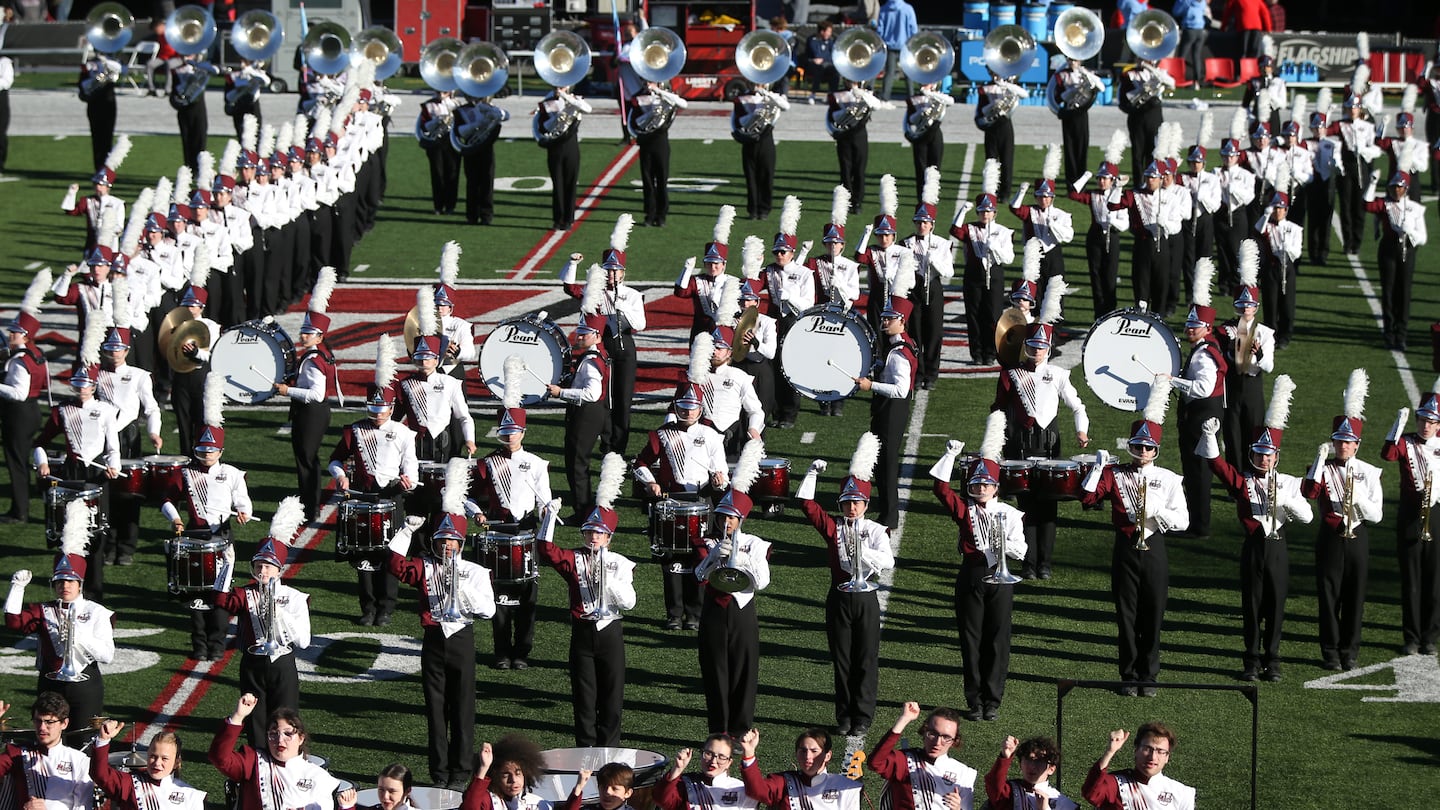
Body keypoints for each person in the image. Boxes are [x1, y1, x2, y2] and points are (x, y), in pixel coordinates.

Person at [389, 464, 496, 790]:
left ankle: (461, 769)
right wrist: (406, 531)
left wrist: (461, 590)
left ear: (461, 543)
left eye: (452, 541)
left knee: (463, 706)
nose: (447, 546)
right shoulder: (424, 566)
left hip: (461, 637)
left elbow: (489, 610)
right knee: (435, 709)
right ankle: (439, 770)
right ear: (434, 542)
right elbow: (395, 566)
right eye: (442, 541)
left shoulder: (475, 572)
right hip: (434, 639)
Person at [1198, 375, 1312, 680]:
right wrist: (1210, 438)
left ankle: (1272, 661)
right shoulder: (1245, 480)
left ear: (1276, 456)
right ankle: (1250, 661)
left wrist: (1288, 503)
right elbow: (1219, 469)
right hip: (1252, 545)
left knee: (1276, 607)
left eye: (1269, 454)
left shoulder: (1287, 482)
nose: (1264, 458)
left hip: (1278, 547)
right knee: (1251, 606)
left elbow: (1308, 516)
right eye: (1260, 453)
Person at [1080, 380, 1188, 696]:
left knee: (1153, 615)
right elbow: (1087, 500)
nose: (1142, 452)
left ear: (1156, 450)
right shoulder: (1116, 474)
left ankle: (1149, 676)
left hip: (1154, 548)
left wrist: (1155, 512)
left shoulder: (1168, 479)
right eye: (1137, 446)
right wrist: (1098, 470)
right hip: (1125, 550)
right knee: (1126, 618)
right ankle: (1128, 675)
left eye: (1147, 448)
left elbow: (1183, 521)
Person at [796, 433, 894, 735]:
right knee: (841, 659)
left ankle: (863, 715)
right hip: (838, 597)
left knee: (865, 658)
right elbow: (807, 505)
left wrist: (863, 555)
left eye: (857, 502)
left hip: (866, 598)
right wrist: (811, 474)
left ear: (866, 504)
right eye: (847, 502)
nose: (852, 507)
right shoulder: (834, 528)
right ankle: (844, 716)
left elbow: (888, 562)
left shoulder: (878, 530)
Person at [930, 419, 1026, 721]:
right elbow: (940, 489)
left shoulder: (1010, 513)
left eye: (986, 484)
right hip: (971, 575)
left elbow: (1022, 550)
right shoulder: (965, 510)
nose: (981, 488)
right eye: (976, 484)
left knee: (997, 640)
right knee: (970, 640)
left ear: (996, 487)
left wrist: (1000, 547)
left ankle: (993, 700)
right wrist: (949, 456)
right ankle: (974, 700)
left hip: (1001, 576)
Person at [537, 454, 636, 747]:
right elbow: (546, 550)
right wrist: (548, 519)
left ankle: (610, 752)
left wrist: (608, 580)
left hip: (610, 632)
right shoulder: (574, 559)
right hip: (581, 633)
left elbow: (629, 603)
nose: (593, 537)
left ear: (609, 538)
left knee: (611, 698)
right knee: (583, 699)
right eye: (590, 531)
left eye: (600, 533)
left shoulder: (620, 563)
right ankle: (584, 753)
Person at [991, 299, 1089, 580]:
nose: (1036, 352)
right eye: (1032, 347)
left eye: (1041, 348)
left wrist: (1081, 430)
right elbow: (997, 410)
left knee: (1048, 506)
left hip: (1049, 446)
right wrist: (994, 447)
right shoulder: (1011, 374)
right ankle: (1029, 562)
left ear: (1049, 349)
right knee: (1026, 508)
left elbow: (1078, 406)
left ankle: (1045, 563)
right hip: (1019, 445)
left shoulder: (1058, 374)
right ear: (1026, 347)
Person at [206, 500, 312, 748]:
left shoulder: (296, 597)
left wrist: (280, 615)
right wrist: (227, 568)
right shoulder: (246, 593)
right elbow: (221, 600)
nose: (263, 571)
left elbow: (304, 641)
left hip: (283, 664)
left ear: (279, 569)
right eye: (259, 566)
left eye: (268, 566)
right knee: (255, 720)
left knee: (286, 719)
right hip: (252, 663)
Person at [160, 376, 251, 660]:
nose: (207, 455)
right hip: (193, 540)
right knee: (196, 596)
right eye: (202, 450)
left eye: (211, 451)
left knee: (221, 595)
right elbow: (165, 500)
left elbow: (242, 497)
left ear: (220, 452)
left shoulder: (233, 473)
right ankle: (199, 645)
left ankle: (218, 643)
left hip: (222, 538)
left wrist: (244, 511)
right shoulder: (185, 473)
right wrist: (176, 519)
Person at [329, 338, 419, 627]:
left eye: (383, 409)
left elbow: (412, 469)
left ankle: (386, 609)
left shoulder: (404, 434)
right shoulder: (354, 431)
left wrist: (409, 483)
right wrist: (340, 475)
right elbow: (334, 460)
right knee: (364, 559)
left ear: (392, 408)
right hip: (361, 500)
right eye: (374, 408)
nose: (378, 414)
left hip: (392, 498)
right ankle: (367, 608)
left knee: (390, 556)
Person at [1302, 369, 1383, 671]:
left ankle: (1350, 650)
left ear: (1358, 444)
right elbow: (1310, 493)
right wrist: (1318, 462)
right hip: (1330, 538)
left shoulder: (1371, 472)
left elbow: (1377, 515)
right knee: (1328, 597)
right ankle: (1330, 652)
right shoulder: (1322, 467)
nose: (1343, 446)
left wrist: (1357, 497)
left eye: (1349, 442)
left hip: (1358, 536)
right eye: (1339, 441)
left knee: (1354, 598)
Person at [470, 374, 552, 669]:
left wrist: (546, 513)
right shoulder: (487, 463)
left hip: (527, 533)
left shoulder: (538, 463)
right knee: (499, 595)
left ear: (523, 432)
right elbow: (466, 496)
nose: (508, 436)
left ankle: (523, 652)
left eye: (513, 431)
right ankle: (502, 652)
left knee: (528, 594)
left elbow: (544, 500)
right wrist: (475, 512)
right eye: (504, 432)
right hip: (496, 533)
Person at [634, 383, 727, 631]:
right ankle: (674, 614)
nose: (688, 412)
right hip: (670, 503)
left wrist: (720, 480)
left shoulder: (712, 436)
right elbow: (640, 463)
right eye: (683, 408)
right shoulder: (662, 434)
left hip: (701, 501)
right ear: (676, 407)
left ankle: (694, 614)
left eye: (692, 408)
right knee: (671, 560)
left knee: (700, 558)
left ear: (700, 409)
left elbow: (722, 471)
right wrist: (651, 482)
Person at [695, 441, 772, 737]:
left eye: (732, 518)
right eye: (723, 516)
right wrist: (716, 555)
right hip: (714, 612)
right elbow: (700, 577)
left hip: (741, 612)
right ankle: (718, 731)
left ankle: (741, 729)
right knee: (715, 673)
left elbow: (762, 581)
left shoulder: (757, 544)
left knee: (744, 672)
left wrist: (741, 559)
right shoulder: (707, 542)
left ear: (742, 519)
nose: (726, 522)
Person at [35, 358, 121, 601]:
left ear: (94, 386)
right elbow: (40, 443)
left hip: (96, 476)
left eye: (87, 384)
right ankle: (69, 590)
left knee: (95, 535)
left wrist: (112, 465)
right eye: (78, 384)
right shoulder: (62, 410)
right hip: (70, 475)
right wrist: (42, 461)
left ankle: (94, 593)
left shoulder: (106, 410)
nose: (83, 388)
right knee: (70, 534)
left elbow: (113, 446)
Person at [5, 542, 116, 726]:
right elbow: (13, 622)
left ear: (80, 584)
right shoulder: (43, 610)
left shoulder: (98, 612)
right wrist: (17, 588)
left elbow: (107, 656)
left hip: (85, 686)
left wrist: (79, 636)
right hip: (50, 684)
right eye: (60, 581)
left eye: (70, 581)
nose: (65, 585)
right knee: (48, 740)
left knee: (83, 740)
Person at [562, 222, 647, 455]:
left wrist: (621, 307)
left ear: (623, 272)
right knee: (604, 399)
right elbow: (570, 287)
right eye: (607, 270)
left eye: (615, 270)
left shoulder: (631, 295)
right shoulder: (595, 291)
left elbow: (640, 324)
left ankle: (619, 446)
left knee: (623, 399)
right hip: (602, 347)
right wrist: (572, 264)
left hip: (625, 347)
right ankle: (606, 443)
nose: (611, 274)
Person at [209, 693, 356, 810]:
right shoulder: (254, 762)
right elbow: (219, 757)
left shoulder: (318, 777)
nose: (280, 740)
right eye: (273, 734)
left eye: (288, 733)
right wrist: (238, 716)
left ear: (301, 738)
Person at [96, 318, 162, 566]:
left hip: (128, 436)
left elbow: (152, 408)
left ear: (126, 351)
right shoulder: (97, 374)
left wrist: (154, 432)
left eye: (119, 349)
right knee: (106, 493)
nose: (114, 353)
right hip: (102, 438)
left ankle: (126, 547)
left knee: (129, 492)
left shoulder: (139, 376)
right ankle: (108, 546)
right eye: (110, 349)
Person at [1381, 385, 1440, 655]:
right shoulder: (1406, 441)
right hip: (1410, 514)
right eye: (1422, 420)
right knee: (1412, 580)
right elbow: (1388, 454)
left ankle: (1430, 636)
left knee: (1434, 579)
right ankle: (1412, 637)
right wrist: (1398, 424)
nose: (1425, 426)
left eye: (1431, 421)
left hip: (1437, 514)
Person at [1164, 287, 1227, 539]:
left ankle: (1199, 526)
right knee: (1196, 473)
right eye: (1189, 324)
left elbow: (1203, 388)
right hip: (1203, 419)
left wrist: (1173, 381)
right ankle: (1196, 523)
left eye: (1196, 326)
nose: (1190, 329)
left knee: (1198, 475)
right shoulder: (1205, 348)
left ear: (1208, 328)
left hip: (1202, 420)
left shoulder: (1204, 356)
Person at [275, 268, 338, 517]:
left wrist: (287, 390)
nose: (303, 336)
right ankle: (310, 504)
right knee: (308, 459)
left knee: (306, 460)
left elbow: (315, 394)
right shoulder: (320, 353)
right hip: (315, 413)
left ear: (320, 335)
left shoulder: (314, 359)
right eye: (303, 331)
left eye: (308, 333)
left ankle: (310, 507)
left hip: (311, 412)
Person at [857, 280, 917, 530]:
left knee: (887, 464)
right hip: (891, 408)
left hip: (892, 409)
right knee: (883, 462)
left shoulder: (900, 352)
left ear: (901, 320)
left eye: (889, 318)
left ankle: (890, 516)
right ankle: (886, 512)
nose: (884, 321)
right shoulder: (900, 345)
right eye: (884, 317)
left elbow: (901, 389)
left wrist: (871, 386)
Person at [548, 313, 610, 521]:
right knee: (578, 463)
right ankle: (583, 507)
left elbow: (591, 394)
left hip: (587, 413)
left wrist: (561, 393)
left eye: (584, 334)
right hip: (595, 412)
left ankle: (583, 511)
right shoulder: (598, 354)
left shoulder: (591, 361)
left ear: (597, 335)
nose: (579, 337)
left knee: (577, 464)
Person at [1, 270, 52, 524]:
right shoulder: (37, 354)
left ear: (25, 335)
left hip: (19, 413)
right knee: (23, 460)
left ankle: (19, 511)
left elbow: (18, 393)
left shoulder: (21, 361)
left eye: (15, 332)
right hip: (32, 411)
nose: (11, 335)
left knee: (17, 462)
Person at [951, 170, 1016, 367]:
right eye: (982, 211)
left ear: (994, 213)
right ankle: (976, 352)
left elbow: (1009, 258)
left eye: (989, 211)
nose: (985, 214)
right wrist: (963, 211)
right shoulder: (970, 228)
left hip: (994, 275)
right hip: (973, 275)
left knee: (993, 315)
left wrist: (994, 247)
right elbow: (954, 230)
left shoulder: (1003, 232)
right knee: (974, 315)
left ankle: (991, 352)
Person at [395, 311, 476, 466]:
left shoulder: (451, 382)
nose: (424, 362)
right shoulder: (405, 385)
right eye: (420, 358)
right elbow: (394, 420)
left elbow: (464, 417)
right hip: (415, 446)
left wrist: (469, 439)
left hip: (444, 443)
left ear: (436, 359)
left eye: (428, 357)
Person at [1218, 257, 1276, 472]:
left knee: (1253, 433)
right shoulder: (1225, 329)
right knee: (1232, 436)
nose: (1246, 309)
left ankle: (1253, 474)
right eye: (1242, 305)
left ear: (1256, 307)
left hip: (1252, 386)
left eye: (1250, 305)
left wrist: (1259, 354)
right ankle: (1235, 478)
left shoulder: (1265, 332)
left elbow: (1269, 366)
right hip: (1231, 386)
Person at [1362, 170, 1429, 351]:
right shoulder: (1386, 204)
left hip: (1408, 249)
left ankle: (1402, 334)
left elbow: (1423, 238)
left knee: (1404, 292)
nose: (1396, 191)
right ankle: (1389, 333)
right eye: (1394, 187)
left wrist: (1410, 231)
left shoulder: (1415, 208)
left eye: (1400, 188)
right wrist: (1373, 182)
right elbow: (1367, 205)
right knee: (1389, 291)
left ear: (1406, 189)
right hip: (1388, 249)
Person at [869, 702, 976, 810]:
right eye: (933, 733)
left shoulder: (964, 773)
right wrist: (904, 719)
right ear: (924, 732)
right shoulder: (905, 761)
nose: (937, 742)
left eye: (946, 737)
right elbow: (875, 763)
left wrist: (958, 809)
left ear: (954, 741)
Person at [1067, 137, 1129, 319]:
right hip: (1094, 237)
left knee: (1109, 277)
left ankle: (1110, 311)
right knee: (1095, 276)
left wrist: (1112, 221)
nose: (1101, 182)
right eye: (1100, 178)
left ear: (1113, 180)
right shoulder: (1093, 195)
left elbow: (1124, 222)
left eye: (1105, 179)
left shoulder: (1119, 195)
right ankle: (1098, 313)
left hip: (1113, 236)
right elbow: (1073, 194)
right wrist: (1086, 176)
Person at [904, 169, 955, 390]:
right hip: (914, 288)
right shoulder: (906, 243)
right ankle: (918, 373)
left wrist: (933, 259)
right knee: (914, 334)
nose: (922, 225)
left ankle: (932, 374)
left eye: (925, 222)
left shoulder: (942, 243)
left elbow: (948, 272)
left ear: (932, 224)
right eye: (918, 222)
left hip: (933, 287)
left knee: (934, 334)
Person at [0, 694, 96, 809]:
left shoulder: (80, 760)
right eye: (38, 721)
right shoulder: (18, 754)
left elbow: (83, 807)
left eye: (49, 722)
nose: (42, 728)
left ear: (64, 723)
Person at [1111, 161, 1183, 312]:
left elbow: (1177, 226)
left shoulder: (1172, 197)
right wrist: (1117, 188)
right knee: (1141, 285)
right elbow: (1112, 206)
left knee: (1161, 286)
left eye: (1154, 177)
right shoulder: (1135, 195)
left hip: (1162, 245)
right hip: (1142, 245)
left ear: (1161, 179)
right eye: (1148, 177)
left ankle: (1159, 319)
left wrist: (1165, 224)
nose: (1150, 180)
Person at [92, 720, 205, 810]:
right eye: (153, 756)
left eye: (164, 758)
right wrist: (103, 740)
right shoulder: (131, 784)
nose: (157, 763)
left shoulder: (191, 795)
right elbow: (100, 774)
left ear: (176, 763)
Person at [1008, 152, 1075, 305]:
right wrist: (1021, 192)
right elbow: (1014, 208)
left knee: (1055, 291)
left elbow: (1069, 236)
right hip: (1034, 257)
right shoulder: (1030, 211)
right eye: (1040, 196)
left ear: (1052, 198)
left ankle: (1055, 326)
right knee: (1035, 292)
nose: (1043, 200)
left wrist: (1054, 225)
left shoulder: (1062, 215)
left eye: (1047, 196)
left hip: (1054, 255)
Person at [738, 728, 861, 809]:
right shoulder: (783, 782)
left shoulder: (846, 787)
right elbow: (757, 790)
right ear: (796, 753)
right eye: (803, 751)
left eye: (814, 751)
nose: (808, 756)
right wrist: (749, 752)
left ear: (827, 755)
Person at [1082, 725, 1193, 810]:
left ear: (1167, 757)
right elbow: (1091, 794)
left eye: (1160, 751)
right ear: (1136, 750)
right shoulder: (1117, 784)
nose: (1152, 757)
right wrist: (1110, 752)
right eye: (1147, 749)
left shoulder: (1182, 793)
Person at [1326, 94, 1380, 255]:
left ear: (1360, 109)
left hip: (1361, 166)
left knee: (1359, 206)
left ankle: (1357, 242)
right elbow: (1326, 132)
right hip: (1346, 166)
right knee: (1346, 206)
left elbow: (1376, 150)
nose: (1353, 111)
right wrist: (1328, 113)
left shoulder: (1368, 126)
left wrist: (1364, 150)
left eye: (1355, 108)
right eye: (1350, 108)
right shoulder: (1341, 125)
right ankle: (1347, 241)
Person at [629, 80, 686, 227]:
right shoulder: (639, 97)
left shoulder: (666, 97)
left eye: (652, 80)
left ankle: (661, 216)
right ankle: (649, 214)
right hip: (645, 143)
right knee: (647, 181)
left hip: (661, 143)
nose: (649, 83)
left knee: (662, 181)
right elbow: (632, 120)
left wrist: (659, 91)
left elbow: (682, 104)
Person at [675, 206, 737, 338]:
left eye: (716, 264)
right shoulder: (697, 281)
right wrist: (687, 269)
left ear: (724, 264)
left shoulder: (732, 282)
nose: (713, 267)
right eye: (709, 264)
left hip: (725, 332)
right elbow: (680, 292)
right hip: (700, 331)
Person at [535, 84, 591, 230]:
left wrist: (566, 98)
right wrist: (557, 118)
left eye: (563, 85)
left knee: (571, 184)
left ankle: (569, 219)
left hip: (571, 148)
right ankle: (558, 219)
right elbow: (543, 127)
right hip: (555, 148)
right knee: (558, 185)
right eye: (557, 85)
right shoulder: (546, 103)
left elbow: (588, 109)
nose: (559, 87)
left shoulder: (575, 100)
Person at [731, 81, 786, 220]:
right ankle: (753, 210)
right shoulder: (741, 99)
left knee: (767, 176)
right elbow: (739, 121)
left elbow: (786, 106)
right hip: (749, 141)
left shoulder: (771, 97)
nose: (757, 83)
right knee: (751, 177)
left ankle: (765, 209)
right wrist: (755, 114)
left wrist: (766, 94)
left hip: (766, 140)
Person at [653, 735, 755, 810]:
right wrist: (677, 769)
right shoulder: (685, 783)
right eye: (709, 754)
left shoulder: (740, 788)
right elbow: (661, 800)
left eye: (721, 757)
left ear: (729, 762)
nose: (713, 761)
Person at [1046, 58, 1103, 187]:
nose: (1072, 62)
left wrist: (1086, 74)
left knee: (1082, 147)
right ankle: (1070, 182)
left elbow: (1101, 87)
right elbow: (1060, 97)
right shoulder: (1062, 75)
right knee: (1070, 148)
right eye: (1070, 59)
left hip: (1082, 113)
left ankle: (1081, 182)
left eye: (1075, 60)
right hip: (1069, 112)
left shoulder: (1087, 73)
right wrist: (1074, 90)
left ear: (1080, 61)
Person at [460, 735, 552, 810]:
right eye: (506, 775)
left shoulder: (536, 803)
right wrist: (484, 767)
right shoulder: (489, 801)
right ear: (496, 778)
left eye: (518, 773)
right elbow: (469, 807)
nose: (513, 780)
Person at [984, 736, 1076, 810]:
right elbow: (993, 786)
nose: (1032, 766)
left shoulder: (1063, 803)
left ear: (1051, 769)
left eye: (1039, 761)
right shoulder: (1011, 792)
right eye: (1028, 760)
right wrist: (1005, 757)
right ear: (1020, 764)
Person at [829, 79, 879, 211]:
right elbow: (832, 115)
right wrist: (846, 112)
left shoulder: (866, 93)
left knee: (859, 169)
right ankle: (846, 200)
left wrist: (860, 93)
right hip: (844, 135)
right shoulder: (837, 95)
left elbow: (876, 105)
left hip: (860, 135)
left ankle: (857, 201)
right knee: (845, 169)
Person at [1118, 60, 1172, 182]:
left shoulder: (1159, 73)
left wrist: (1150, 68)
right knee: (1137, 153)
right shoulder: (1130, 74)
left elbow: (1172, 84)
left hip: (1154, 116)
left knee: (1153, 151)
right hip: (1137, 117)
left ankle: (1152, 181)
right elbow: (1122, 99)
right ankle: (1138, 183)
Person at [975, 70, 1024, 200]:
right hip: (991, 127)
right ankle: (990, 190)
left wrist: (1005, 84)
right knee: (991, 160)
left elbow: (1024, 94)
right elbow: (981, 110)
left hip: (1005, 125)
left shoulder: (1010, 88)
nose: (996, 75)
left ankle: (1005, 193)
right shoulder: (984, 88)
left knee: (1007, 160)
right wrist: (993, 105)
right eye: (994, 73)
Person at [1303, 103, 1340, 265]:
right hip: (1312, 183)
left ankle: (1323, 253)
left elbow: (1338, 164)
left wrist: (1337, 165)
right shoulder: (1305, 144)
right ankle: (1313, 252)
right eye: (1315, 127)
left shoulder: (1332, 144)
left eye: (1321, 127)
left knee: (1326, 219)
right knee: (1312, 219)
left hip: (1327, 183)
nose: (1318, 130)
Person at [171, 54, 217, 173]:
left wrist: (197, 65)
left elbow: (215, 70)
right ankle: (189, 171)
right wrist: (177, 101)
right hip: (184, 111)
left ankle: (200, 171)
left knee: (200, 140)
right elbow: (173, 93)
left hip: (199, 110)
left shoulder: (201, 69)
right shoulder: (177, 72)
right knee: (187, 142)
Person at [419, 89, 462, 215]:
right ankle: (438, 205)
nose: (440, 93)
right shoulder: (429, 105)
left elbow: (461, 123)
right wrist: (436, 122)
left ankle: (450, 205)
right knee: (437, 173)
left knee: (453, 172)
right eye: (438, 90)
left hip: (452, 141)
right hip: (435, 142)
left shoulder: (457, 104)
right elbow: (423, 125)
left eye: (444, 91)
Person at [78, 46, 121, 172]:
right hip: (94, 103)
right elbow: (82, 85)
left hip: (108, 103)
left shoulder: (113, 63)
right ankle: (98, 170)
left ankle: (106, 171)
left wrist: (107, 63)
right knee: (96, 139)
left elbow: (122, 70)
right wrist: (94, 81)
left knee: (107, 139)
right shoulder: (89, 65)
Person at [905, 85, 950, 198]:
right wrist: (920, 113)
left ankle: (933, 196)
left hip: (935, 133)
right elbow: (910, 120)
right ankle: (921, 198)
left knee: (935, 167)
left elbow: (951, 101)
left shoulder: (939, 96)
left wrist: (930, 94)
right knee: (921, 168)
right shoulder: (914, 99)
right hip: (920, 135)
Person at [874, 0, 917, 101]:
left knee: (889, 73)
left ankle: (885, 97)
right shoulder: (908, 9)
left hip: (889, 46)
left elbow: (880, 29)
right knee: (908, 73)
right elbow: (913, 29)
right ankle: (911, 97)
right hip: (905, 45)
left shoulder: (884, 9)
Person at [1173, 0, 1211, 86]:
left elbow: (1176, 11)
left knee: (1182, 56)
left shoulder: (1187, 1)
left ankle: (1178, 78)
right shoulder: (1202, 2)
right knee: (1196, 56)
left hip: (1190, 29)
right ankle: (1197, 81)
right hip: (1200, 30)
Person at [804, 22, 838, 104]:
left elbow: (833, 55)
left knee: (834, 70)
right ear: (822, 31)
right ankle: (813, 94)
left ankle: (831, 95)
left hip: (827, 64)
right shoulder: (812, 40)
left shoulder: (831, 41)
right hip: (812, 63)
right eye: (828, 31)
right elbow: (816, 54)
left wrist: (823, 59)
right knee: (819, 68)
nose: (830, 34)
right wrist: (819, 59)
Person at [0, 54, 14, 173]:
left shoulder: (4, 62)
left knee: (0, 133)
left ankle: (0, 163)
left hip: (1, 100)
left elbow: (7, 81)